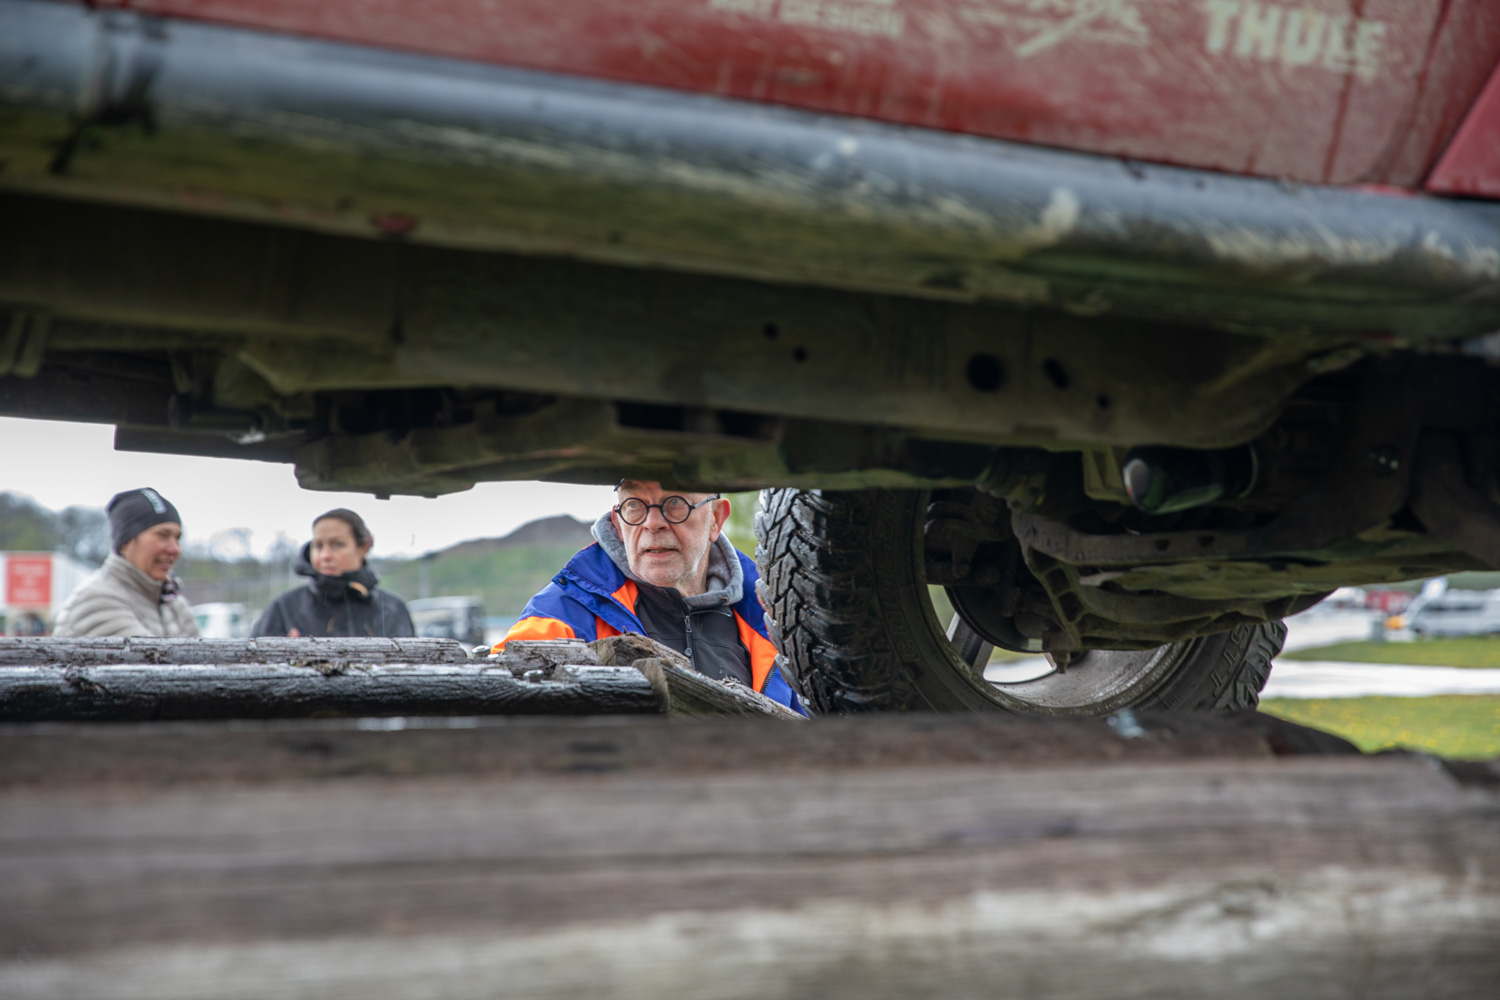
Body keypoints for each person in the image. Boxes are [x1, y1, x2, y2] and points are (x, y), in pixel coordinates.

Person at [497, 480, 803, 713]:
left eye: (675, 502)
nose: (652, 523)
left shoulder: (774, 618)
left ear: (715, 519)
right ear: (617, 523)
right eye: (634, 505)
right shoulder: (562, 614)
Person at [53, 488, 200, 638]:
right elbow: (148, 659)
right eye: (162, 535)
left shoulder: (175, 606)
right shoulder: (98, 601)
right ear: (125, 542)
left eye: (177, 538)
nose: (174, 549)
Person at [251, 508, 414, 638]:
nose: (325, 556)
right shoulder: (285, 607)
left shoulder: (392, 609)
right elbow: (253, 667)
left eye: (337, 544)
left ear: (362, 548)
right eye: (318, 545)